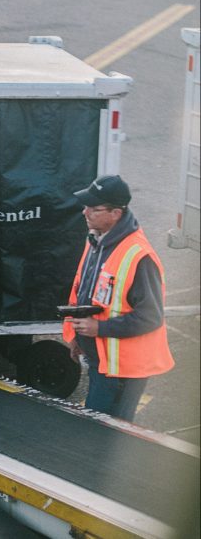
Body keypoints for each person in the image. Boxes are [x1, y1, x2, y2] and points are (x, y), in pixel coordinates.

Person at [62, 174, 174, 421]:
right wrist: (79, 336)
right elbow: (88, 294)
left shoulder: (139, 256)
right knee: (98, 431)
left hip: (123, 370)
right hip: (102, 362)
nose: (85, 212)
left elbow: (151, 317)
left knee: (110, 437)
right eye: (86, 205)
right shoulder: (97, 240)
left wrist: (99, 328)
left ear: (116, 213)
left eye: (94, 208)